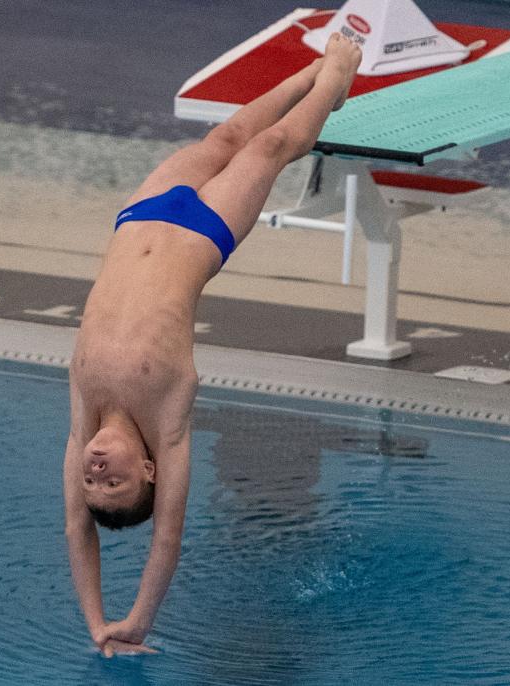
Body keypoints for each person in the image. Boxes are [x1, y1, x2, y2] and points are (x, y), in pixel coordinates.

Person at [63, 34, 362, 657]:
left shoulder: (84, 417)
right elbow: (167, 537)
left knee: (223, 141)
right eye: (112, 486)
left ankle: (308, 76)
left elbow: (76, 529)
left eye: (91, 486)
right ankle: (336, 76)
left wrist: (92, 619)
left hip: (139, 217)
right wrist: (133, 622)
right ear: (148, 472)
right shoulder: (166, 423)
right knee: (272, 147)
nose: (94, 474)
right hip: (203, 231)